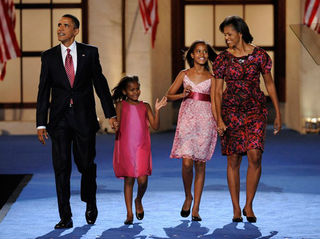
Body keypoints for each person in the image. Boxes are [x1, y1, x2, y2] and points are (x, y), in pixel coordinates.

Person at [36, 14, 117, 229]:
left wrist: (111, 113)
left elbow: (100, 83)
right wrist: (40, 123)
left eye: (66, 25)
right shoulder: (49, 56)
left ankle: (90, 201)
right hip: (59, 121)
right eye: (59, 25)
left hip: (83, 118)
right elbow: (43, 91)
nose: (60, 29)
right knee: (61, 167)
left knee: (85, 164)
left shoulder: (90, 53)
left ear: (75, 31)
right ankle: (65, 216)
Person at [213, 16, 282, 223]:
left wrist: (277, 112)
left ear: (240, 33)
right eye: (224, 35)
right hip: (231, 110)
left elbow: (269, 85)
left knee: (255, 155)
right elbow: (216, 92)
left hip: (255, 110)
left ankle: (249, 205)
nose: (226, 38)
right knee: (233, 159)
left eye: (229, 34)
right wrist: (218, 119)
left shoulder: (260, 55)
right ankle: (235, 208)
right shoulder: (222, 59)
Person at [167, 40, 218, 221]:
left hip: (205, 122)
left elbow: (215, 103)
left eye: (205, 51)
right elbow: (169, 95)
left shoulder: (213, 78)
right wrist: (183, 94)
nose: (202, 54)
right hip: (187, 120)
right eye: (198, 51)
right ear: (192, 55)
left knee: (200, 164)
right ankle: (188, 196)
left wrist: (219, 122)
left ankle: (196, 208)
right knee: (187, 163)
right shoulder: (184, 74)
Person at [112, 76, 167, 225]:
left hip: (142, 147)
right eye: (132, 89)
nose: (136, 92)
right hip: (126, 146)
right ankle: (129, 213)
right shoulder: (120, 105)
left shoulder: (145, 106)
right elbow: (116, 122)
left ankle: (138, 200)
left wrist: (157, 110)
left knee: (142, 180)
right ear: (125, 91)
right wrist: (115, 125)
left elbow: (155, 126)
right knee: (129, 179)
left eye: (137, 89)